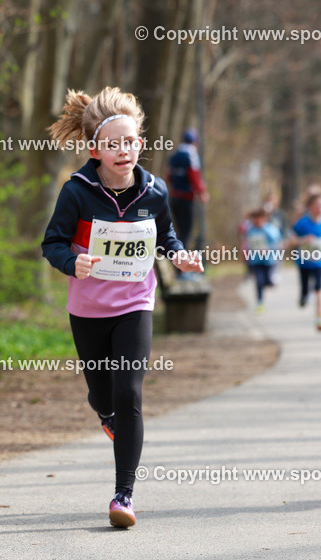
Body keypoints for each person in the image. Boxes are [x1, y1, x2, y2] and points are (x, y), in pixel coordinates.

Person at [42, 87, 204, 528]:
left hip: (135, 302)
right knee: (103, 395)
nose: (123, 151)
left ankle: (123, 495)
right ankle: (105, 413)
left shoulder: (155, 191)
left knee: (130, 393)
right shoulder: (77, 192)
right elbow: (51, 244)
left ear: (140, 144)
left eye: (130, 142)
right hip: (89, 308)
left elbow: (166, 236)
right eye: (113, 144)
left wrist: (180, 255)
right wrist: (72, 262)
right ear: (95, 149)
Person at [289, 193, 321, 332]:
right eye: (317, 205)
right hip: (304, 261)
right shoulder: (302, 223)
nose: (320, 208)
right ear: (310, 207)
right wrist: (303, 240)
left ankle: (320, 318)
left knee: (319, 289)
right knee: (305, 288)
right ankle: (303, 296)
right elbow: (291, 240)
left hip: (320, 261)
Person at [165, 127, 209, 258]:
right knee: (186, 232)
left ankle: (178, 266)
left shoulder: (174, 155)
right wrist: (202, 192)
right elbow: (194, 175)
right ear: (195, 141)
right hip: (186, 198)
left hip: (174, 197)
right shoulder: (192, 155)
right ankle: (182, 266)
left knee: (177, 231)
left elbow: (169, 176)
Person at [242, 208, 282, 313]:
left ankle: (273, 280)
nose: (257, 222)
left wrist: (268, 249)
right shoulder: (251, 230)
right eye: (255, 219)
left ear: (264, 219)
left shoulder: (270, 229)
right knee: (259, 281)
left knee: (268, 282)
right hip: (256, 260)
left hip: (269, 260)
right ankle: (260, 302)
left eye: (259, 219)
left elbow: (277, 243)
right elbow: (248, 243)